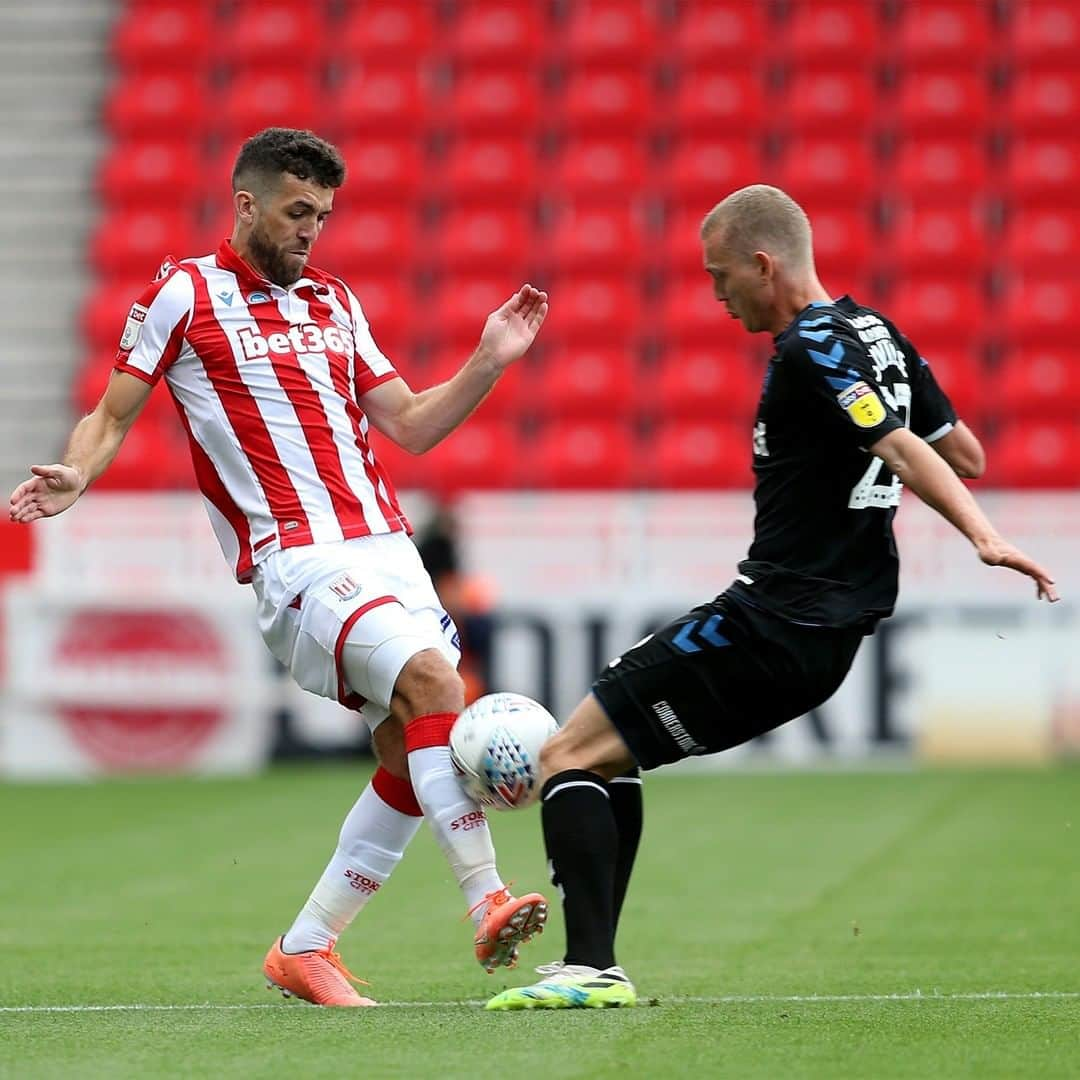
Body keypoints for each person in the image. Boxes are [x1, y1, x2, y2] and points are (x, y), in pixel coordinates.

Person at [8, 127, 551, 1008]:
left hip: (388, 549)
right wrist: (76, 473)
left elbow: (410, 423)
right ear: (248, 204)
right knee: (430, 683)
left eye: (324, 217)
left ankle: (306, 948)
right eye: (299, 213)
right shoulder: (184, 292)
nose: (312, 232)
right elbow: (110, 417)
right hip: (296, 559)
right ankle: (486, 897)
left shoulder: (335, 301)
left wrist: (487, 361)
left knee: (407, 746)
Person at [486, 184, 1059, 1011]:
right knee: (610, 749)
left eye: (722, 277)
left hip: (772, 616)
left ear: (764, 263)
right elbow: (960, 448)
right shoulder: (878, 335)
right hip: (822, 639)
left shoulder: (811, 346)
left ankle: (589, 970)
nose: (718, 296)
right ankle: (594, 965)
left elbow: (901, 446)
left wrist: (983, 537)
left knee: (565, 755)